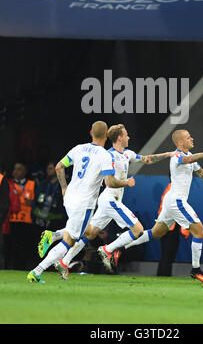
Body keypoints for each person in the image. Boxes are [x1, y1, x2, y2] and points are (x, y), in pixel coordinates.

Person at [45, 124, 175, 277]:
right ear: (119, 137)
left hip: (109, 200)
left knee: (90, 233)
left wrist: (168, 154)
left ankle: (63, 260)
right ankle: (107, 250)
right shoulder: (107, 155)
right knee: (138, 230)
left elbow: (147, 159)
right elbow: (100, 175)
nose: (129, 137)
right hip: (110, 200)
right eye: (126, 134)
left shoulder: (128, 154)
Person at [27, 121, 135, 283]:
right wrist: (127, 182)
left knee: (87, 232)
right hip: (84, 203)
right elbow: (110, 183)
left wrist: (64, 188)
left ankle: (53, 235)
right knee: (70, 240)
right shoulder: (105, 155)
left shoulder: (78, 148)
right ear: (106, 136)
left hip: (69, 198)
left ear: (91, 133)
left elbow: (58, 167)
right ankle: (37, 271)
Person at [120, 129, 203, 282]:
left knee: (156, 233)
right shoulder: (177, 156)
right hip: (177, 202)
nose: (192, 138)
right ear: (180, 142)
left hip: (171, 201)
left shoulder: (188, 156)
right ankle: (196, 270)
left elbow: (201, 172)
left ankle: (121, 245)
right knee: (200, 232)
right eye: (188, 137)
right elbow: (188, 161)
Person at [32, 161, 67, 252]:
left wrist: (60, 218)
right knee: (37, 247)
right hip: (39, 222)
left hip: (55, 223)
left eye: (51, 168)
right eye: (48, 168)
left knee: (52, 248)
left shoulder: (63, 185)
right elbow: (35, 201)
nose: (49, 170)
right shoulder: (42, 184)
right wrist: (35, 216)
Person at [156, 181, 190, 277]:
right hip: (169, 227)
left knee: (168, 254)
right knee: (167, 254)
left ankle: (164, 274)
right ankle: (163, 275)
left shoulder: (172, 188)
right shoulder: (173, 188)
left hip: (170, 226)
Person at [8, 163, 36, 270]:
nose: (15, 171)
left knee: (26, 247)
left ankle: (25, 268)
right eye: (14, 169)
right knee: (12, 247)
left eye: (19, 169)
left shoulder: (32, 184)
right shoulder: (8, 184)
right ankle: (11, 268)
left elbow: (35, 201)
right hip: (12, 219)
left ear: (24, 172)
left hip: (27, 221)